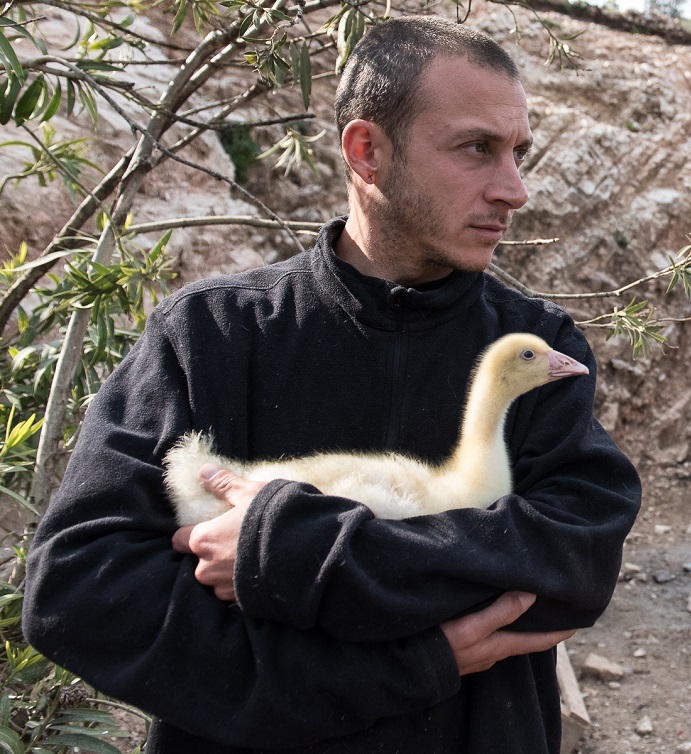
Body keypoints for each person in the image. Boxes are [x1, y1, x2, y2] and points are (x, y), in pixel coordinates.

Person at [22, 15, 641, 754]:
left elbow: (574, 562)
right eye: (477, 149)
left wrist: (285, 549)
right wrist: (405, 664)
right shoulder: (213, 336)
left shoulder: (535, 348)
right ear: (367, 150)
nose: (516, 190)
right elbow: (80, 589)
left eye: (518, 153)